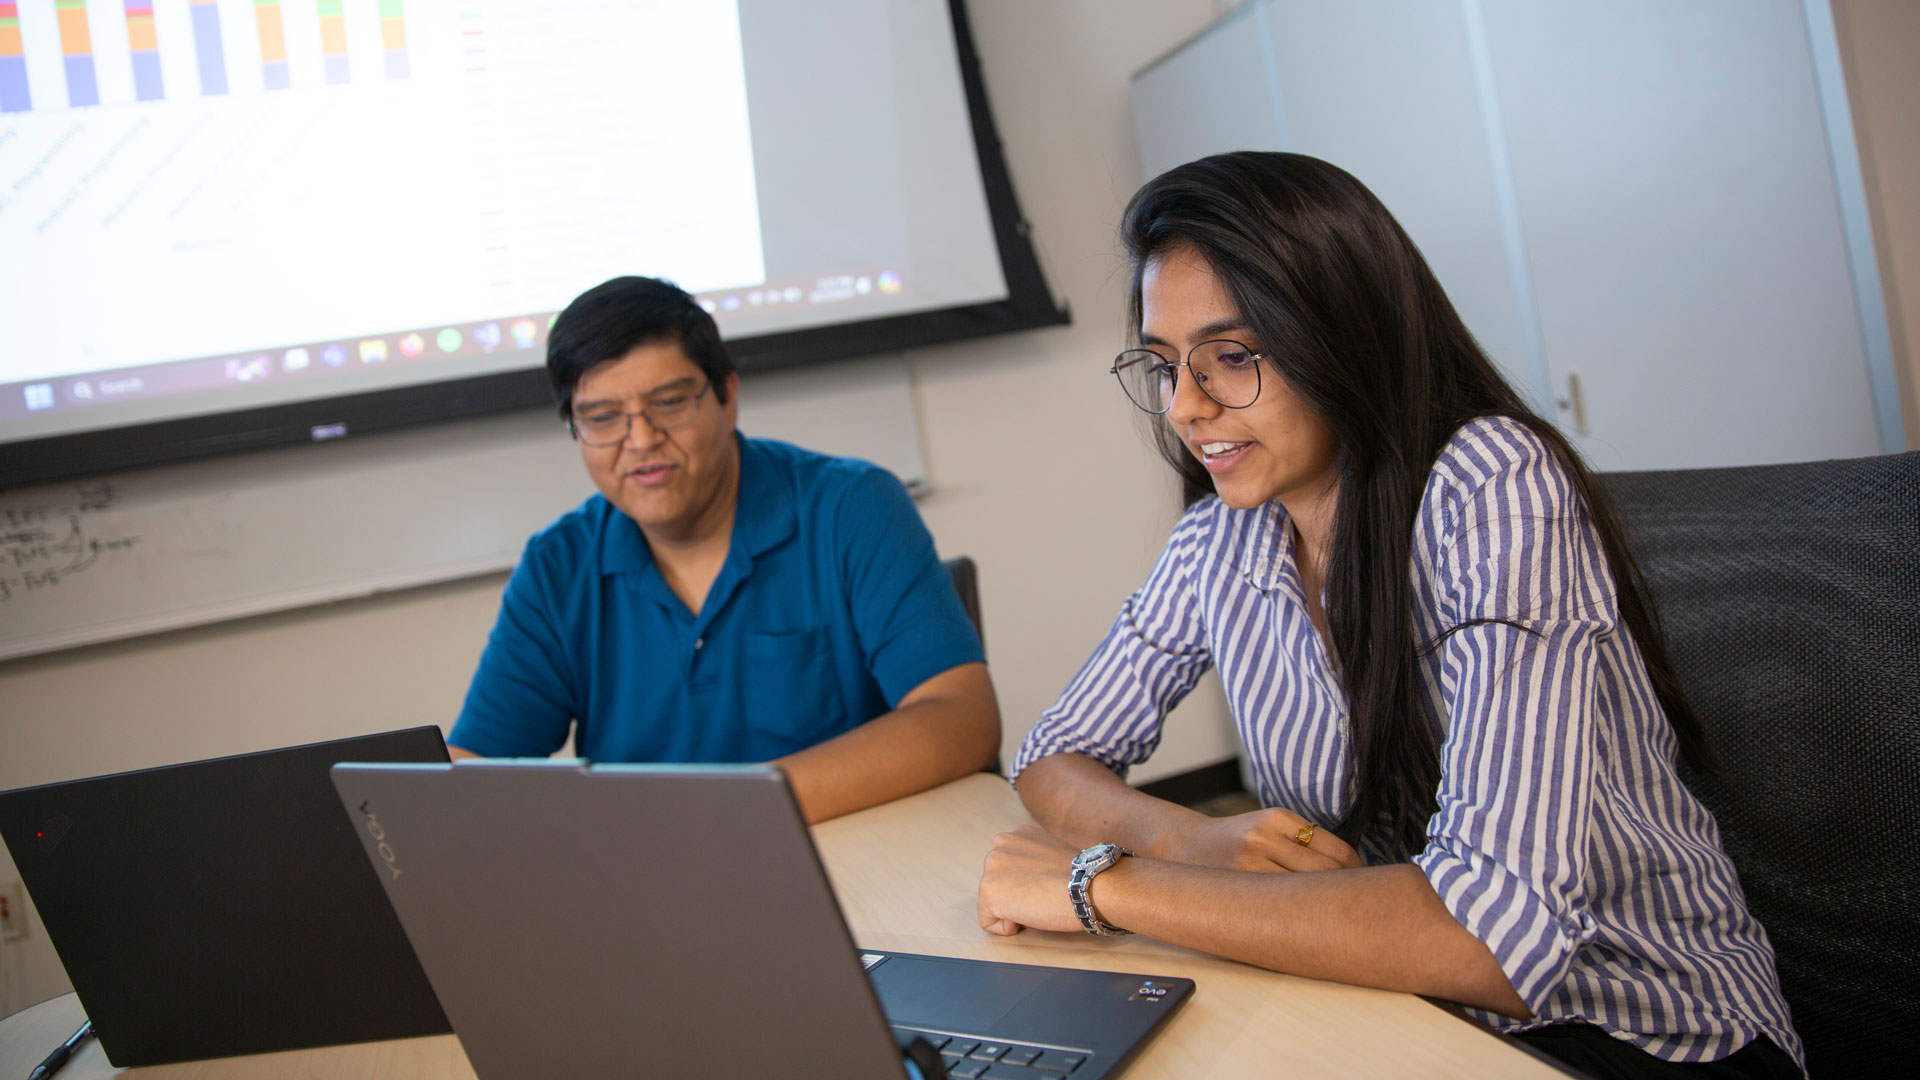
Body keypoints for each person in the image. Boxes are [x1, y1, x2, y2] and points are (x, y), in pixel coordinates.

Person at [977, 153, 1803, 1079]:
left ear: (1342, 336)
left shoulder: (1491, 485)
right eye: (1165, 367)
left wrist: (1110, 885)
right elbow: (1053, 756)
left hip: (1635, 1032)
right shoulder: (1225, 539)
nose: (1185, 408)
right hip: (1407, 1015)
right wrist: (1190, 838)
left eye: (1232, 358)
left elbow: (1485, 941)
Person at [449, 276, 999, 823]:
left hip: (855, 856)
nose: (640, 441)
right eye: (602, 418)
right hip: (653, 881)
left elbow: (960, 719)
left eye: (668, 403)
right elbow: (473, 772)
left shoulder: (852, 507)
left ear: (727, 397)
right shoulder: (556, 567)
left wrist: (727, 812)